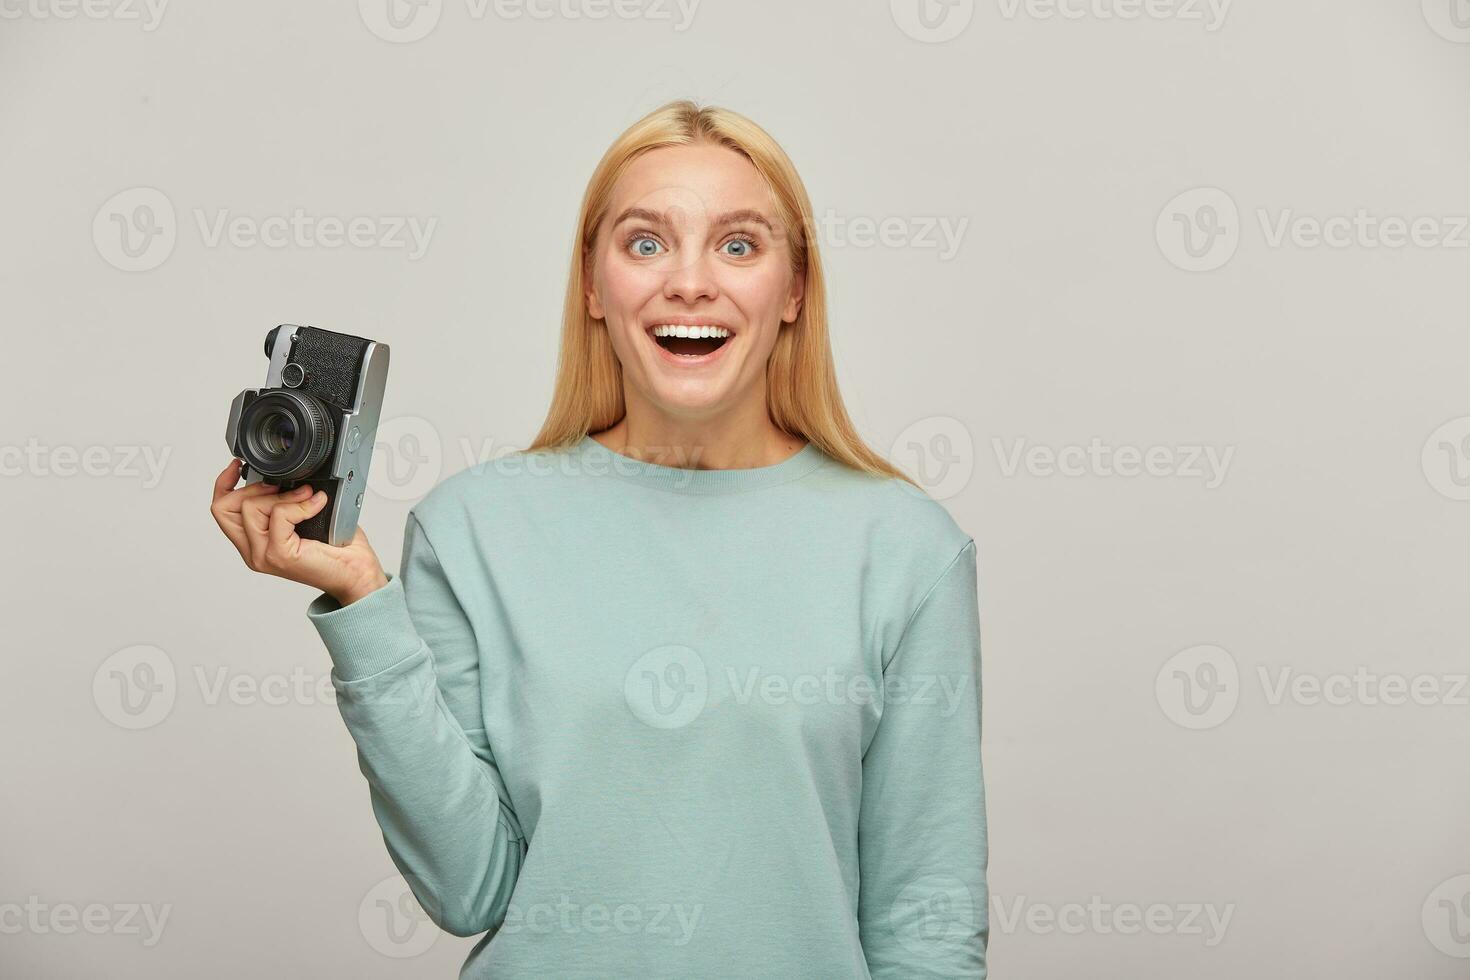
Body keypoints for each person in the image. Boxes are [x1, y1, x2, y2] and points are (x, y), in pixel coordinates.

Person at [210, 100, 988, 979]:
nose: (689, 282)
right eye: (645, 243)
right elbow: (469, 889)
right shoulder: (473, 530)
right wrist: (362, 604)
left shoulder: (906, 549)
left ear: (795, 291)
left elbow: (928, 921)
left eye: (738, 244)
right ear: (592, 285)